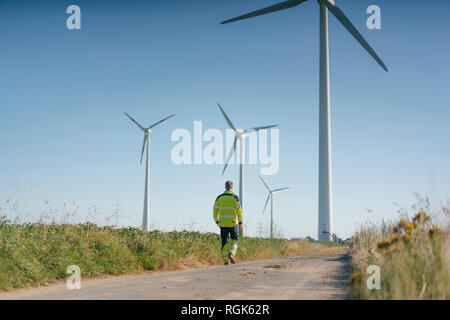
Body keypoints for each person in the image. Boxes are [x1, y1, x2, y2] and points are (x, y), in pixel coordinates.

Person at [213, 180, 243, 265]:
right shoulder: (235, 198)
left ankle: (226, 261)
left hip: (222, 223)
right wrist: (240, 222)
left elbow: (215, 210)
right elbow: (239, 211)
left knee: (224, 241)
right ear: (232, 187)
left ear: (225, 187)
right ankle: (231, 253)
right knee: (235, 239)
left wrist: (217, 221)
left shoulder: (219, 198)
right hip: (233, 223)